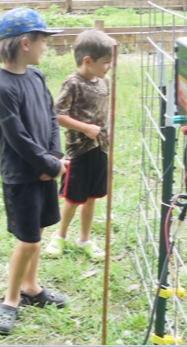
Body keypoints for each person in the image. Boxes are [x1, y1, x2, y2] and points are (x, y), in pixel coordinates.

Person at [0, 8, 68, 336]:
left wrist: (55, 157)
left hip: (45, 168)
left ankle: (32, 288)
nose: (45, 46)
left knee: (38, 232)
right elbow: (16, 137)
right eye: (42, 40)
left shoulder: (36, 77)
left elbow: (50, 116)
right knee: (28, 239)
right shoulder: (2, 87)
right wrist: (49, 165)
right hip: (21, 174)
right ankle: (10, 299)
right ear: (24, 43)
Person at [45, 29, 115, 262]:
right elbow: (56, 114)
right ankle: (60, 235)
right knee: (74, 199)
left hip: (100, 148)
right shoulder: (73, 83)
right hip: (79, 152)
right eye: (106, 62)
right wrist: (84, 127)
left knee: (93, 197)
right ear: (88, 61)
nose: (109, 67)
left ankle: (85, 239)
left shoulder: (103, 80)